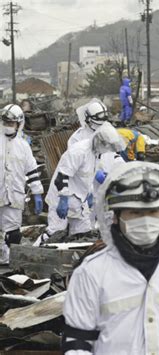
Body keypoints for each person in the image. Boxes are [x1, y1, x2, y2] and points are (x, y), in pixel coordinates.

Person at [62, 162, 159, 355]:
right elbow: (77, 345)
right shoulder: (91, 273)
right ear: (116, 217)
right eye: (135, 213)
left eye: (152, 212)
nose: (145, 220)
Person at [41, 122, 125, 243]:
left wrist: (90, 193)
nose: (107, 150)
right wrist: (63, 199)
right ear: (99, 141)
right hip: (61, 196)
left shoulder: (96, 155)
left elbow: (87, 176)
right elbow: (62, 177)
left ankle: (72, 260)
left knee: (83, 235)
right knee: (55, 233)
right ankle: (34, 253)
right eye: (106, 146)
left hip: (79, 200)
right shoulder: (79, 151)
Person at [0, 104, 43, 263]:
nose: (7, 127)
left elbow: (31, 170)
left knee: (13, 235)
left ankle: (8, 263)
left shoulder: (24, 146)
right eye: (5, 123)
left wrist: (37, 192)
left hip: (14, 195)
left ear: (19, 124)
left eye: (11, 124)